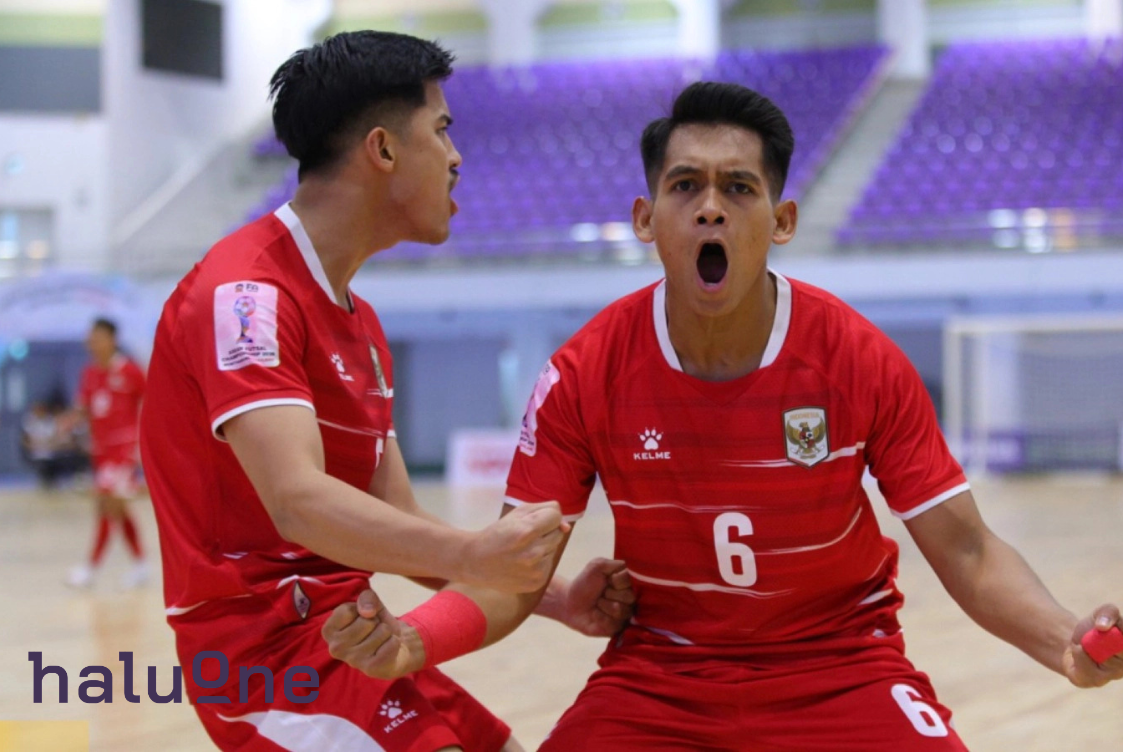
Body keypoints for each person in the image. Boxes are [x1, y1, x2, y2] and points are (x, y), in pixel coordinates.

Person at [323, 82, 1123, 750]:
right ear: (646, 219)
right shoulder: (583, 370)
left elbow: (970, 551)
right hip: (658, 679)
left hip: (841, 668)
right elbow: (514, 572)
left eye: (739, 188)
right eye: (686, 186)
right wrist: (415, 639)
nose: (712, 209)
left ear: (781, 223)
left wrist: (1061, 638)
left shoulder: (858, 358)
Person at [138, 31, 632, 752]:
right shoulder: (245, 295)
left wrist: (554, 600)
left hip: (351, 640)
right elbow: (296, 500)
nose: (457, 158)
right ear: (383, 150)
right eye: (441, 131)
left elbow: (393, 517)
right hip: (264, 666)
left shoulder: (361, 324)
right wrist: (476, 555)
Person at [66, 318, 149, 589]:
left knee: (107, 504)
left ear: (112, 339)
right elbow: (84, 407)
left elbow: (152, 401)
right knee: (118, 509)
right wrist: (67, 422)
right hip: (100, 452)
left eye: (98, 337)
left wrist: (145, 443)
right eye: (90, 337)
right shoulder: (89, 373)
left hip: (124, 451)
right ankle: (141, 564)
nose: (92, 342)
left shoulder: (129, 370)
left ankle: (91, 568)